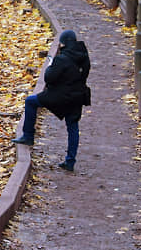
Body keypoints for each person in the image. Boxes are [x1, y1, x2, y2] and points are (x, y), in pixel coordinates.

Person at [12, 29, 91, 171]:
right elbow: (82, 75)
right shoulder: (84, 57)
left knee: (31, 101)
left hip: (60, 96)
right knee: (73, 126)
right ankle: (70, 161)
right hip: (78, 96)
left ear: (63, 43)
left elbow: (49, 77)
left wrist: (50, 65)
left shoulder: (62, 58)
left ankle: (28, 135)